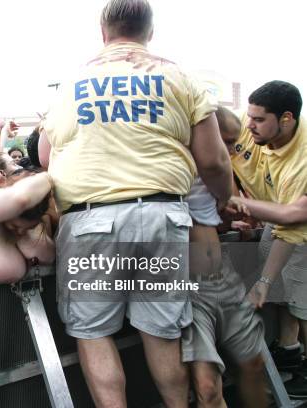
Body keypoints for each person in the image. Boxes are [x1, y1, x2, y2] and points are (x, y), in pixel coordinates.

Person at [38, 1, 232, 406]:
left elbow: (45, 157)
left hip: (90, 219)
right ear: (149, 32)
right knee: (161, 330)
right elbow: (214, 160)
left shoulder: (71, 83)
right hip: (162, 217)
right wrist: (225, 198)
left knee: (93, 331)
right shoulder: (179, 76)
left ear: (103, 32)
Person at [181, 109, 266, 408]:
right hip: (184, 286)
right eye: (225, 142)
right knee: (206, 386)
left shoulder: (218, 174)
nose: (230, 151)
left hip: (222, 276)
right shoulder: (169, 168)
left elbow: (214, 217)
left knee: (254, 364)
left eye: (234, 143)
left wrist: (231, 221)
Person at [232, 81, 307, 397]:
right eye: (249, 116)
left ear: (286, 119)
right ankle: (289, 351)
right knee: (278, 289)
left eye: (259, 119)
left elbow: (292, 225)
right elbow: (218, 155)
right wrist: (239, 199)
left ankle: (299, 365)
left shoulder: (302, 160)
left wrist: (263, 281)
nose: (250, 124)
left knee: (299, 300)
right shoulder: (242, 125)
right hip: (276, 218)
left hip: (298, 227)